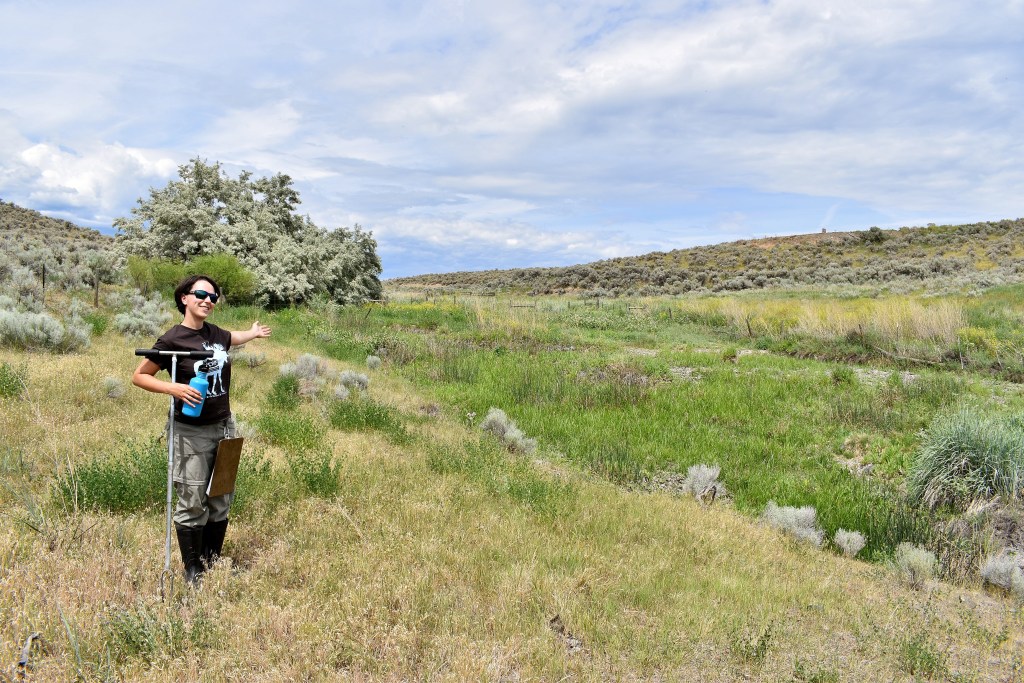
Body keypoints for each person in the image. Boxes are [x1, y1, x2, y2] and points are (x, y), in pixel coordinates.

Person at [132, 274, 271, 585]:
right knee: (193, 498)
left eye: (213, 297)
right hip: (190, 432)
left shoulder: (215, 334)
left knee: (220, 496)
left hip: (224, 427)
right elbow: (140, 376)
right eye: (201, 294)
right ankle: (193, 569)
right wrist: (176, 389)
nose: (208, 300)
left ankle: (211, 559)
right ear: (184, 298)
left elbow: (231, 338)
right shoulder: (172, 340)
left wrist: (251, 333)